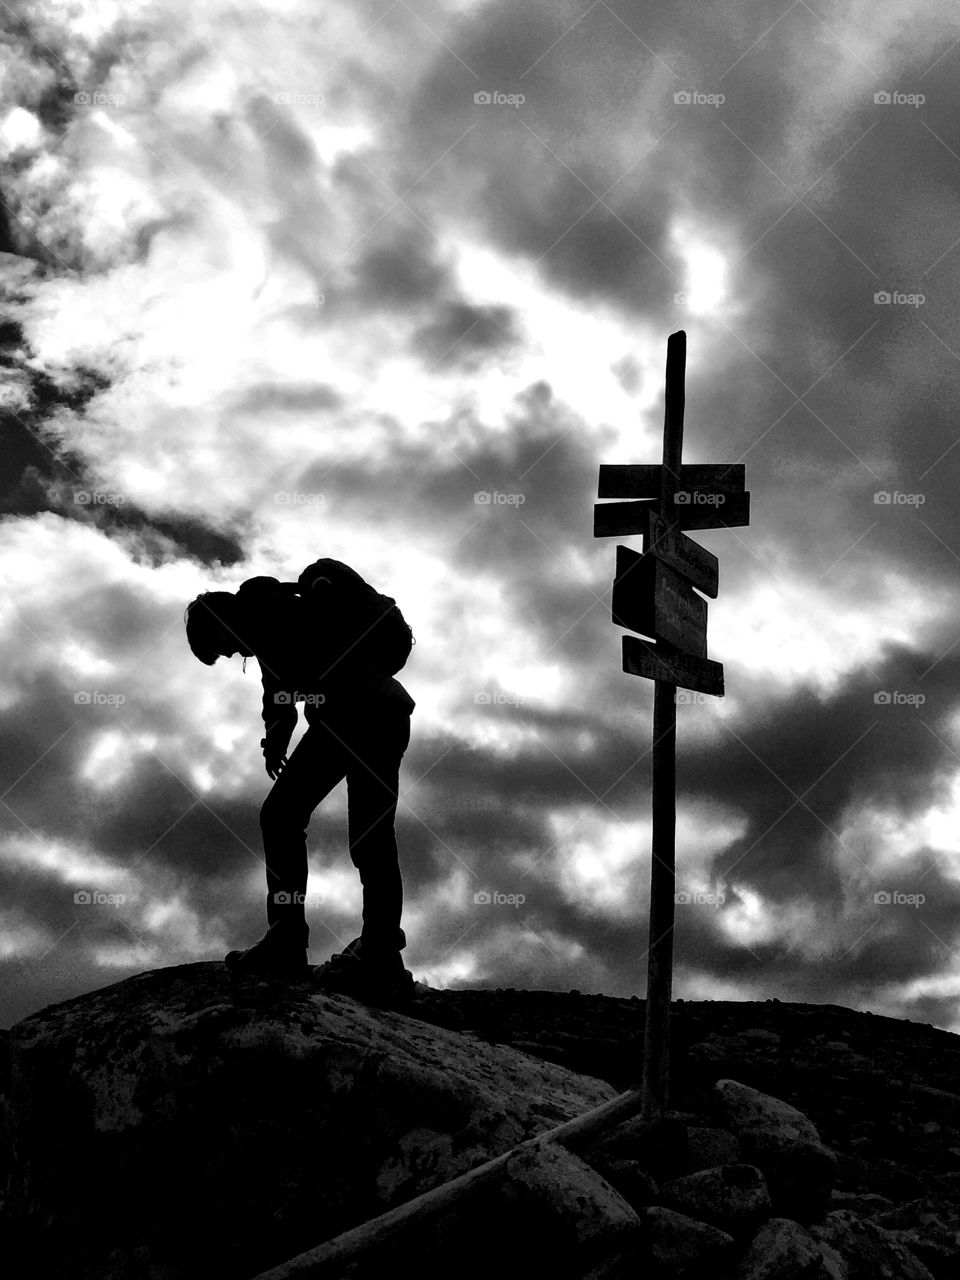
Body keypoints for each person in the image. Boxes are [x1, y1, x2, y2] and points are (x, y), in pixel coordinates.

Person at [183, 560, 416, 1006]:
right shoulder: (275, 612)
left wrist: (278, 731)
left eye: (222, 647)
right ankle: (381, 953)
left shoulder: (266, 613)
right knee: (371, 839)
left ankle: (289, 938)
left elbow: (281, 682)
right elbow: (284, 686)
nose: (232, 655)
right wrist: (277, 736)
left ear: (221, 621)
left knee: (281, 816)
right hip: (384, 713)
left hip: (352, 716)